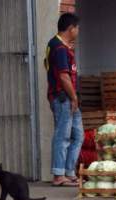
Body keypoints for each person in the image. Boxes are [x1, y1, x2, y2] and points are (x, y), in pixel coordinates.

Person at [45, 13, 82, 187]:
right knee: (63, 135)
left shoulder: (60, 46)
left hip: (69, 98)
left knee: (77, 135)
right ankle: (59, 175)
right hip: (63, 98)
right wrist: (74, 97)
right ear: (71, 28)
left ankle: (69, 172)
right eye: (77, 28)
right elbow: (63, 76)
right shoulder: (58, 48)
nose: (78, 31)